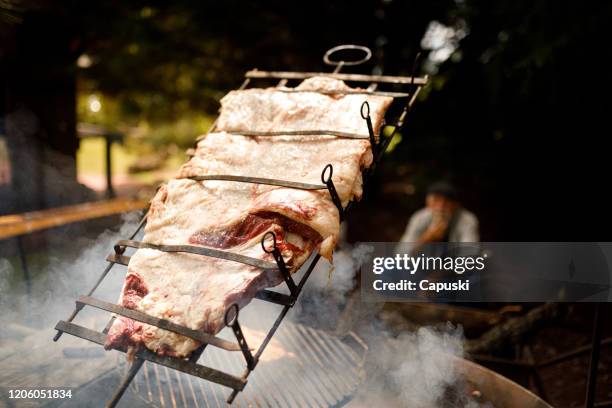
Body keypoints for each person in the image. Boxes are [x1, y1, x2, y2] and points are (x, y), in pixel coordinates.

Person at [400, 181, 479, 243]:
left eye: (447, 202)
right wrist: (427, 237)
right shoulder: (419, 217)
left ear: (456, 205)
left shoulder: (466, 219)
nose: (441, 206)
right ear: (427, 202)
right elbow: (401, 253)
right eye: (435, 200)